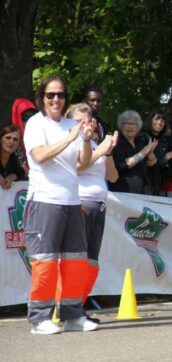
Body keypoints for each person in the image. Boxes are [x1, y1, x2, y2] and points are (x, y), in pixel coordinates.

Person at [23, 75, 96, 334]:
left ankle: (72, 314)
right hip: (45, 200)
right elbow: (40, 156)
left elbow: (83, 162)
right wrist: (70, 137)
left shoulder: (70, 124)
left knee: (76, 262)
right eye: (50, 95)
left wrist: (86, 140)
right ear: (42, 98)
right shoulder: (35, 123)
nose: (56, 99)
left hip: (72, 201)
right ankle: (40, 318)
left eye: (61, 95)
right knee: (45, 261)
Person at [66, 103, 119, 321]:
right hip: (81, 201)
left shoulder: (96, 143)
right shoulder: (72, 142)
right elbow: (76, 167)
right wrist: (98, 150)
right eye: (80, 120)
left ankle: (78, 307)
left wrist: (109, 151)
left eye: (89, 120)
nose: (86, 124)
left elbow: (113, 176)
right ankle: (67, 307)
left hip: (99, 203)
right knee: (78, 259)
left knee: (91, 261)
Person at [109, 110, 158, 194]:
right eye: (127, 124)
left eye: (133, 124)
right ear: (121, 126)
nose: (130, 127)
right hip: (124, 191)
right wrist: (143, 153)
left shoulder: (140, 142)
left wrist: (150, 153)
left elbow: (151, 165)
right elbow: (122, 165)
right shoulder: (116, 143)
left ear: (138, 127)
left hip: (144, 190)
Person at [11, 98, 37, 171]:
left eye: (32, 116)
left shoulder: (39, 134)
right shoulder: (11, 137)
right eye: (25, 117)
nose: (29, 121)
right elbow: (21, 162)